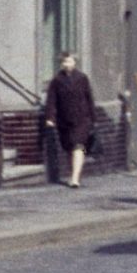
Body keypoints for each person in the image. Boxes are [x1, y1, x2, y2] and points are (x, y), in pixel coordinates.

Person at [41, 52, 94, 188]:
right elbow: (51, 100)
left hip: (82, 119)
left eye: (69, 61)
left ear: (74, 63)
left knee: (78, 146)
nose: (67, 64)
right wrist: (50, 118)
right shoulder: (57, 80)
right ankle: (72, 173)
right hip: (64, 119)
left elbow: (89, 98)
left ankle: (75, 178)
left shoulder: (82, 78)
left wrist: (93, 118)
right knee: (69, 146)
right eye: (64, 62)